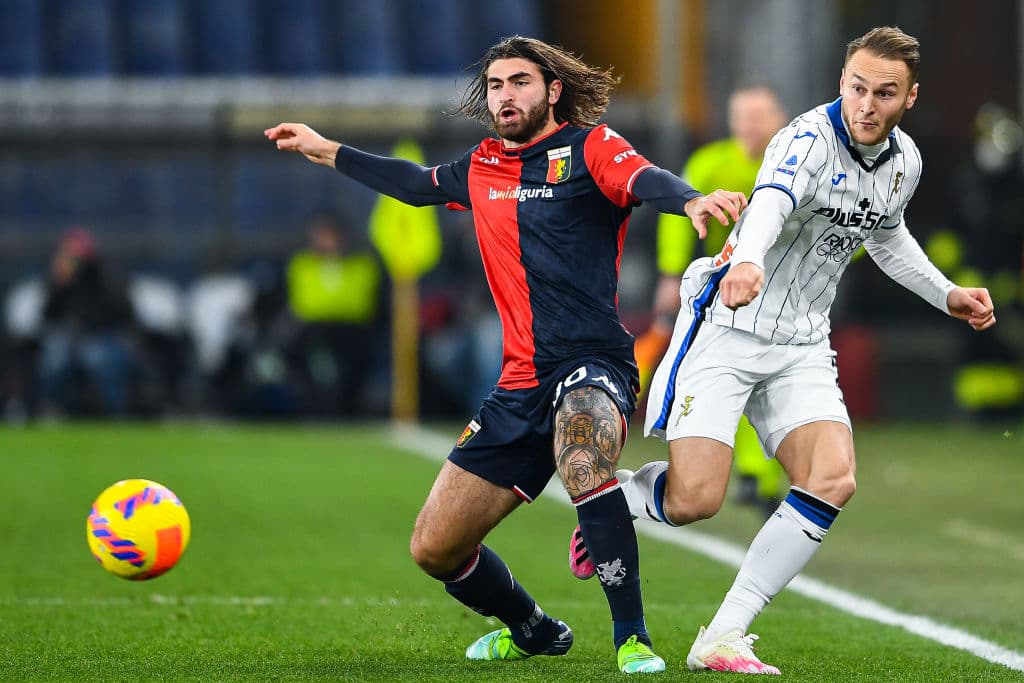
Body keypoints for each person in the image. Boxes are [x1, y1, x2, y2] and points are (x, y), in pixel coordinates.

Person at [265, 35, 746, 674]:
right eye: (495, 85)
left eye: (519, 82)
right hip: (520, 381)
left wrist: (688, 198)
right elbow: (414, 185)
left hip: (594, 361)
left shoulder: (589, 146)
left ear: (552, 91)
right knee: (434, 548)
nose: (504, 95)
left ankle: (633, 638)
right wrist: (325, 149)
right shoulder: (483, 163)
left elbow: (641, 178)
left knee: (583, 457)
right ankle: (531, 628)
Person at [568, 26, 996, 675]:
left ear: (910, 98)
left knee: (833, 477)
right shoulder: (806, 138)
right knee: (695, 501)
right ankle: (620, 498)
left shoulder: (905, 161)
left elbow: (885, 236)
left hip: (800, 342)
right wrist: (743, 260)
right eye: (857, 87)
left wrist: (945, 294)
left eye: (884, 93)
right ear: (842, 83)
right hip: (728, 325)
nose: (866, 104)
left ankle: (725, 632)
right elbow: (770, 203)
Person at [639, 85, 789, 518]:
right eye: (742, 115)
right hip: (726, 294)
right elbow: (679, 219)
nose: (750, 124)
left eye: (759, 115)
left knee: (769, 381)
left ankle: (757, 474)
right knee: (737, 376)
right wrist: (670, 274)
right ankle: (746, 471)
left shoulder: (796, 163)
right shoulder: (710, 163)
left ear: (778, 118)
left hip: (784, 294)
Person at [285, 211, 388, 416]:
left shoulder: (362, 264)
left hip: (351, 328)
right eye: (323, 235)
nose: (328, 241)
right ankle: (313, 406)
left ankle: (349, 406)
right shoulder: (301, 264)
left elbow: (363, 300)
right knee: (299, 351)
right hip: (315, 329)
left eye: (332, 236)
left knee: (360, 356)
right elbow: (303, 302)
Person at [36, 226, 140, 416]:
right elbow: (46, 316)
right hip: (70, 337)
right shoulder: (62, 280)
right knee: (55, 361)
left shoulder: (107, 276)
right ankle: (52, 410)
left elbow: (125, 312)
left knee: (99, 360)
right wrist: (58, 284)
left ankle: (114, 412)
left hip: (105, 336)